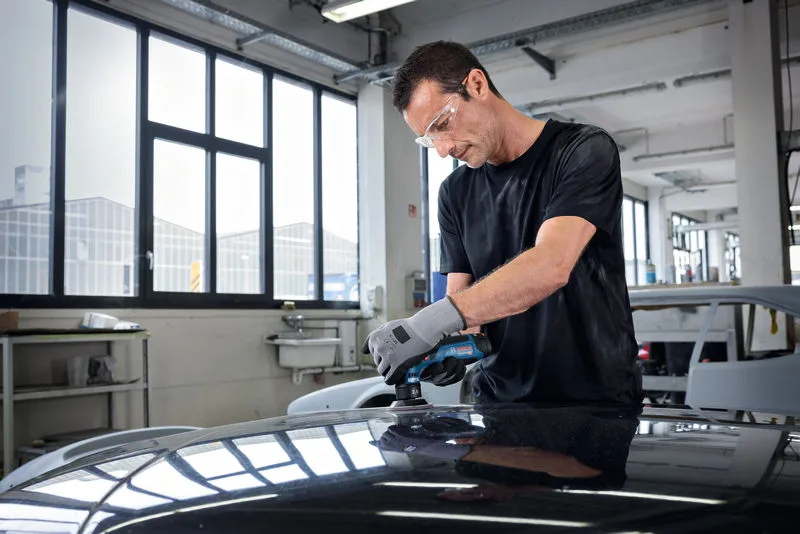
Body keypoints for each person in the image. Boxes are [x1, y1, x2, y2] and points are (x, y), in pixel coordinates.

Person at [361, 40, 642, 406]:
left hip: (595, 402)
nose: (443, 149)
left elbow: (551, 264)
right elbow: (462, 308)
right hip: (498, 404)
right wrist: (445, 349)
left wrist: (427, 324)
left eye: (442, 124)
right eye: (430, 141)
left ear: (477, 85)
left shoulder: (582, 150)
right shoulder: (454, 193)